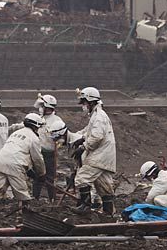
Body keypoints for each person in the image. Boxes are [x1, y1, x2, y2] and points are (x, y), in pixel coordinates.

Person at [66, 87, 117, 215]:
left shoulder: (99, 116)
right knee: (104, 186)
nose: (83, 105)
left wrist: (83, 147)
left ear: (90, 101)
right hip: (105, 156)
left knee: (82, 178)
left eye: (84, 102)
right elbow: (91, 132)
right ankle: (108, 213)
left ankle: (85, 206)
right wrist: (82, 139)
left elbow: (97, 136)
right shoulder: (97, 115)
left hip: (99, 155)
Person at [0, 113, 46, 205]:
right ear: (36, 126)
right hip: (16, 166)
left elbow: (15, 151)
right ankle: (25, 212)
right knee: (22, 194)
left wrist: (29, 169)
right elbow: (37, 159)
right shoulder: (34, 138)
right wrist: (41, 174)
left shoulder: (15, 133)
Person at [32, 94, 67, 201]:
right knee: (37, 176)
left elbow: (62, 136)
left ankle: (51, 198)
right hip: (38, 152)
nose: (40, 108)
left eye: (42, 106)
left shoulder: (57, 120)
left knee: (50, 178)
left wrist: (59, 143)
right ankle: (35, 198)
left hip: (49, 153)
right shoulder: (38, 118)